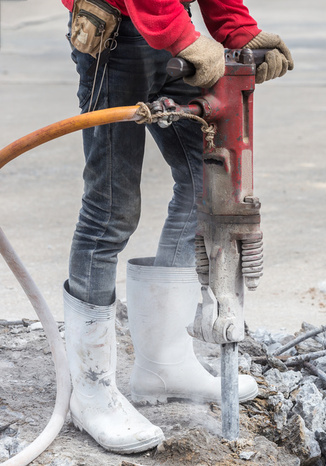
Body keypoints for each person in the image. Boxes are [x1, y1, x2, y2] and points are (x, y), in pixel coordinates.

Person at [61, 0, 293, 453]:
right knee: (110, 212)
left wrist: (235, 28)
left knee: (204, 179)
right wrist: (180, 36)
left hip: (169, 26)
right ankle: (89, 393)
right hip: (118, 32)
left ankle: (163, 362)